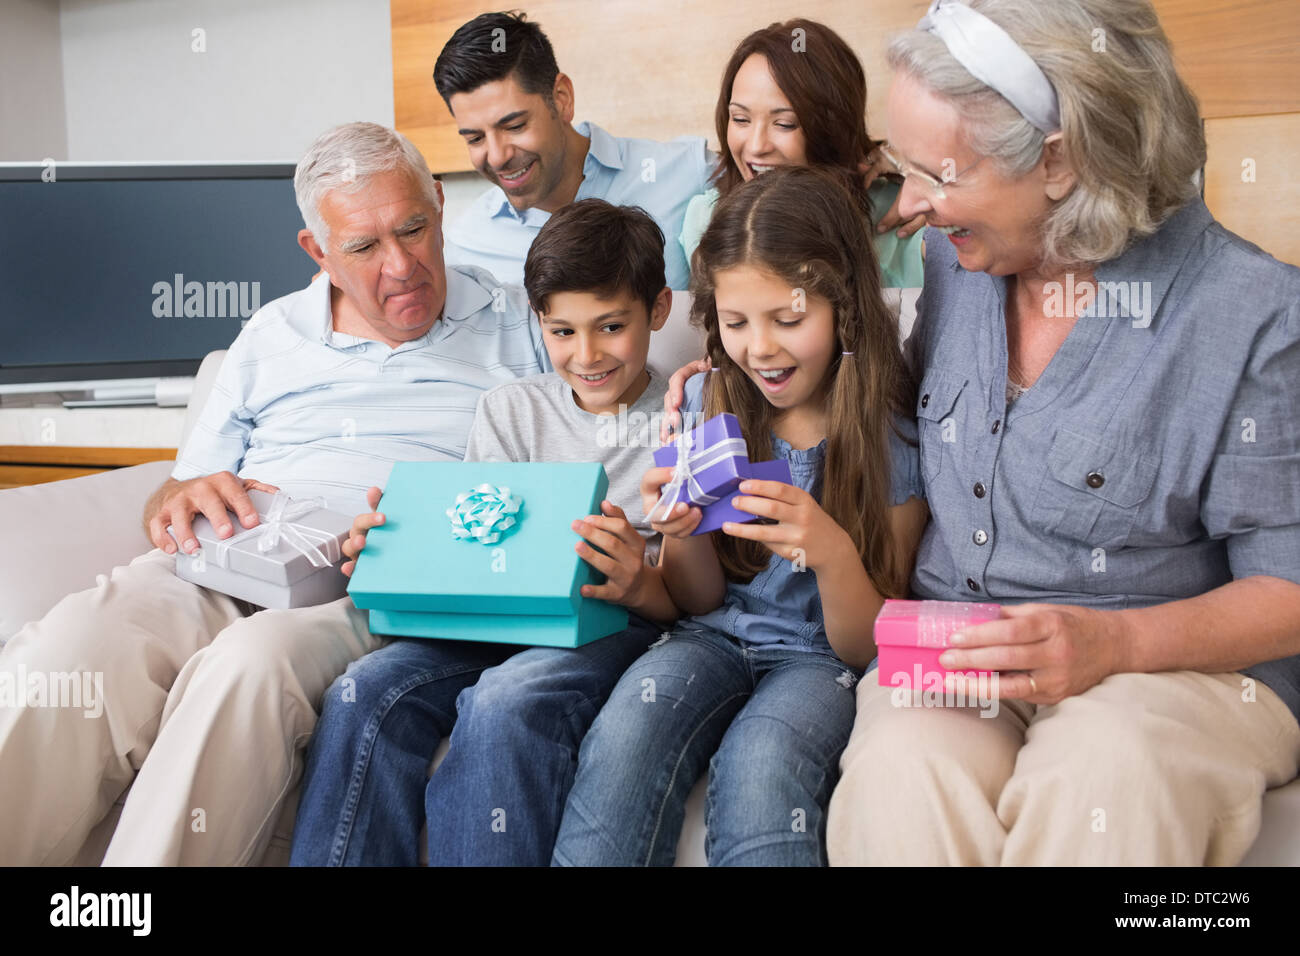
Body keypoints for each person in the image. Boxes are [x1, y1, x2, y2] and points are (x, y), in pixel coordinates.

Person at [824, 0, 1300, 865]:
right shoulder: (958, 259)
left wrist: (1116, 643)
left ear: (1060, 160)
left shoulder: (1254, 312)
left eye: (940, 173)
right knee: (901, 772)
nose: (915, 206)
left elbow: (1291, 589)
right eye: (906, 169)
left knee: (1105, 779)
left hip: (1169, 671)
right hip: (964, 643)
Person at [0, 121, 550, 866]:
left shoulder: (527, 325)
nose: (402, 266)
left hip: (375, 584)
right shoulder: (269, 334)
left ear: (440, 205)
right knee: (71, 654)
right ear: (316, 252)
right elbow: (175, 490)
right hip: (236, 556)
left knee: (247, 667)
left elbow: (566, 481)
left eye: (413, 228)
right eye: (363, 247)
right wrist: (183, 495)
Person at [552, 166, 929, 866]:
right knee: (626, 736)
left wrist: (831, 552)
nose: (760, 347)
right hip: (710, 638)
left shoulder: (890, 434)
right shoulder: (709, 402)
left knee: (762, 769)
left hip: (821, 661)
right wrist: (679, 528)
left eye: (789, 319)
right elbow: (697, 599)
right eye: (734, 322)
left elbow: (867, 647)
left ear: (844, 308)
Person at [290, 199, 681, 866]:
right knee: (362, 690)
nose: (586, 355)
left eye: (611, 326)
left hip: (614, 627)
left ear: (660, 311)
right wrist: (397, 551)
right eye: (561, 332)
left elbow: (690, 601)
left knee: (504, 701)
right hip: (492, 625)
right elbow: (478, 550)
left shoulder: (681, 417)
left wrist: (640, 582)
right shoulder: (510, 409)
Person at [435, 11, 712, 289]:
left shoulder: (691, 173)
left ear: (562, 99)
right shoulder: (466, 248)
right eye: (475, 139)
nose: (497, 157)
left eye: (515, 126)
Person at [678, 18, 925, 288]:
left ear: (832, 129)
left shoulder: (905, 212)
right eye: (740, 119)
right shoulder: (706, 217)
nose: (757, 145)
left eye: (784, 124)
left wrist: (930, 171)